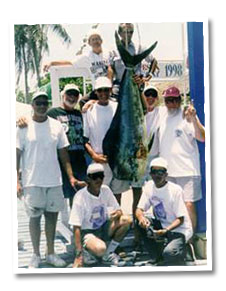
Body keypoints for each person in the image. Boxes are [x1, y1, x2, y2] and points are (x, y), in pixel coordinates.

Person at [16, 92, 79, 268]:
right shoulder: (22, 126)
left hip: (54, 180)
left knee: (52, 218)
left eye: (45, 103)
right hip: (32, 181)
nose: (42, 106)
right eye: (38, 103)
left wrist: (71, 176)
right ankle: (35, 254)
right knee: (34, 218)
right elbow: (17, 155)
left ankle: (50, 253)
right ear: (32, 105)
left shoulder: (57, 126)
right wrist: (17, 181)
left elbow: (64, 154)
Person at [17, 84, 87, 208]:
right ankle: (67, 222)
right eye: (69, 94)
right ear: (63, 95)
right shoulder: (53, 112)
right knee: (63, 196)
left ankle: (76, 223)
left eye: (75, 95)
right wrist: (22, 119)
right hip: (61, 161)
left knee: (79, 195)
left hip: (79, 160)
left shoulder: (79, 113)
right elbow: (37, 118)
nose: (72, 97)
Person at [159, 86, 205, 233]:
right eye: (168, 100)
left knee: (188, 205)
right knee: (171, 206)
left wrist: (194, 120)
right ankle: (176, 237)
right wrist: (88, 103)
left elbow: (203, 137)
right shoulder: (161, 114)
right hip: (168, 172)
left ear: (180, 100)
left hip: (187, 171)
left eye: (175, 100)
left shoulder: (187, 116)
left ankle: (190, 238)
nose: (171, 103)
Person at [69, 163, 132, 267]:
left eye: (101, 176)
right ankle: (86, 251)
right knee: (100, 248)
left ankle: (108, 254)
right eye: (94, 177)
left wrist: (116, 214)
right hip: (88, 232)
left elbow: (119, 211)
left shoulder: (106, 190)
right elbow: (76, 227)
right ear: (88, 179)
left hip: (103, 227)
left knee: (127, 220)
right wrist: (78, 255)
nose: (98, 180)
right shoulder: (80, 197)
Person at [136, 157, 193, 266]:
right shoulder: (148, 186)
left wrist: (166, 230)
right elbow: (139, 209)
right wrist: (141, 219)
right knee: (138, 222)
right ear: (150, 173)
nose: (157, 175)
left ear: (166, 174)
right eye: (154, 172)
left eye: (160, 172)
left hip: (179, 229)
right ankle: (156, 256)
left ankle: (184, 249)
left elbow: (180, 219)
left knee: (170, 254)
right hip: (162, 226)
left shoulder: (175, 190)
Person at [83, 76, 131, 202]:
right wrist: (94, 156)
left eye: (106, 90)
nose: (103, 93)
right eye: (100, 91)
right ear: (95, 92)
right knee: (99, 196)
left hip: (118, 160)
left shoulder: (118, 107)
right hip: (100, 160)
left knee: (117, 196)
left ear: (111, 90)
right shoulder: (90, 110)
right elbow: (85, 140)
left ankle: (116, 220)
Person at [43, 29, 111, 108]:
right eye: (93, 39)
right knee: (82, 102)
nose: (96, 41)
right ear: (89, 43)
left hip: (108, 88)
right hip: (97, 90)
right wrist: (52, 63)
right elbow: (70, 62)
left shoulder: (108, 54)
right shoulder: (86, 57)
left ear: (101, 41)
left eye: (97, 39)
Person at [108, 23, 158, 97]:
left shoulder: (139, 47)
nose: (128, 34)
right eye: (125, 32)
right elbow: (111, 68)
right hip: (119, 85)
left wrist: (148, 77)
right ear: (119, 33)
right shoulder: (113, 50)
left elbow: (154, 61)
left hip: (136, 84)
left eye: (131, 32)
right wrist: (110, 85)